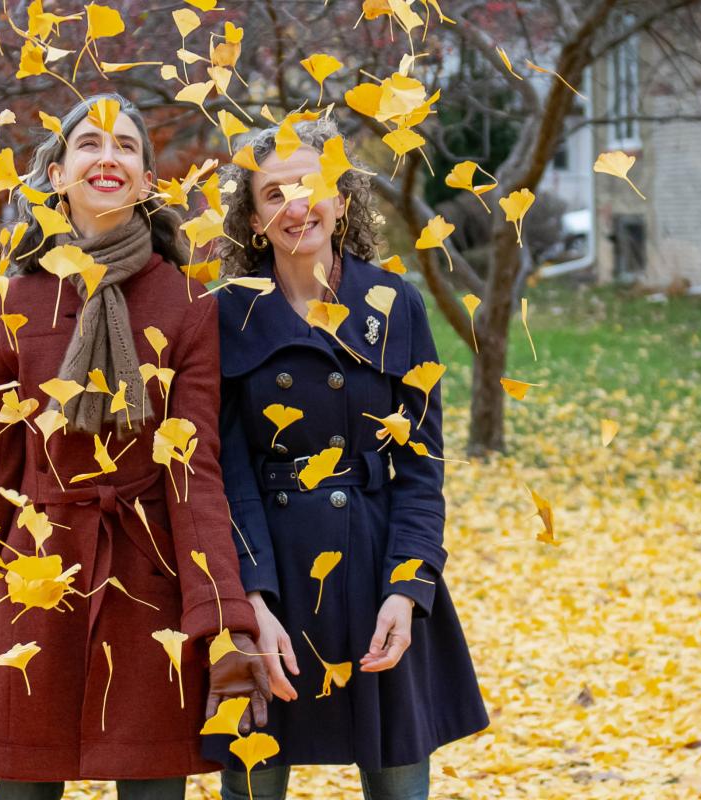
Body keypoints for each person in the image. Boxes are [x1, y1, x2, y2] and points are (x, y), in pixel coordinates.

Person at [0, 93, 269, 800]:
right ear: (57, 173)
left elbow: (194, 473)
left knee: (153, 789)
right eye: (90, 144)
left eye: (127, 147)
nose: (109, 157)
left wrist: (226, 625)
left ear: (145, 180)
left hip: (150, 582)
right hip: (35, 578)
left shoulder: (189, 302)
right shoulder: (13, 301)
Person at [209, 119, 490, 800]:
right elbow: (225, 473)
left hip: (373, 570)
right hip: (269, 576)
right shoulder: (226, 316)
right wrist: (250, 603)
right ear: (252, 219)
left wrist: (408, 586)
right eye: (272, 194)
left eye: (310, 186)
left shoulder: (395, 304)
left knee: (398, 782)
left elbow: (423, 466)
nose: (294, 206)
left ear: (342, 199)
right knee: (252, 780)